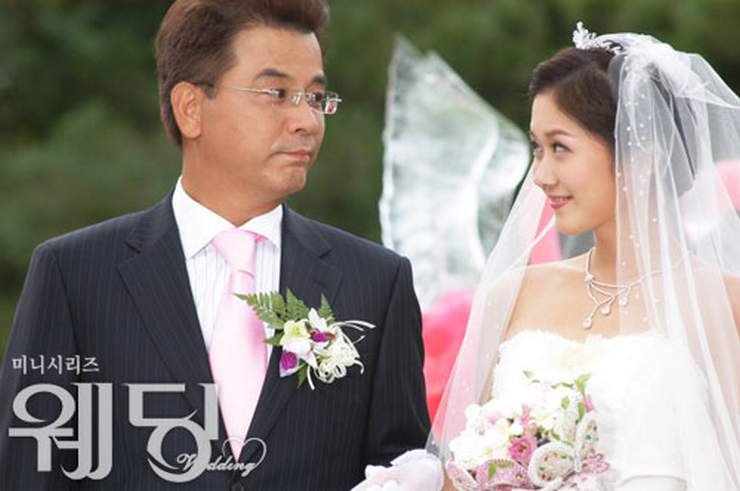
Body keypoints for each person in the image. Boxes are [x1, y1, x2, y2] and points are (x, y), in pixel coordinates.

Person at [0, 1, 429, 489]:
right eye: (277, 93)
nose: (307, 121)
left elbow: (403, 471)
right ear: (190, 108)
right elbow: (28, 471)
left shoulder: (376, 283)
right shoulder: (74, 275)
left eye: (314, 98)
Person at [359, 23, 740, 491]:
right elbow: (466, 470)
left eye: (560, 147)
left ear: (643, 153)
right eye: (537, 148)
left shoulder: (725, 304)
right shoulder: (514, 294)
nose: (540, 175)